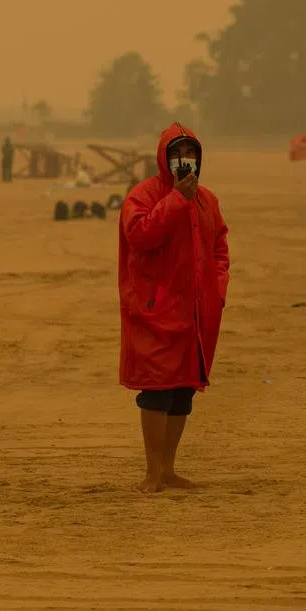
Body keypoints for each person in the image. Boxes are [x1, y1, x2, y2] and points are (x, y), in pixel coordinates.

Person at [118, 123, 230, 493]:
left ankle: (168, 469)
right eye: (178, 155)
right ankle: (152, 472)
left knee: (183, 390)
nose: (186, 162)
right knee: (156, 390)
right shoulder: (143, 196)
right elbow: (141, 236)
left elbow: (219, 248)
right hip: (155, 309)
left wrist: (217, 288)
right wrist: (175, 200)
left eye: (192, 155)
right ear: (165, 159)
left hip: (196, 311)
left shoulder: (208, 200)